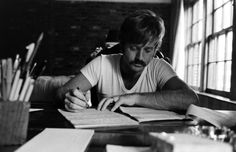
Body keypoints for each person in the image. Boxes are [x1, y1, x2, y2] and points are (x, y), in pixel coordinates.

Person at [57, 9, 199, 112]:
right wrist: (70, 99)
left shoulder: (160, 67)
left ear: (155, 49)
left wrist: (135, 98)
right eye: (133, 48)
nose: (140, 57)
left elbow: (191, 99)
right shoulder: (102, 63)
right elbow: (61, 92)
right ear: (122, 44)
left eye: (148, 50)